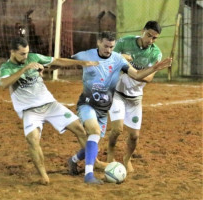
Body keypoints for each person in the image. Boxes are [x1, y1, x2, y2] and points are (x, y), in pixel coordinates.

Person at [67, 31, 172, 184]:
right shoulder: (87, 55)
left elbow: (136, 75)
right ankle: (89, 175)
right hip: (87, 103)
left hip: (103, 107)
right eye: (105, 46)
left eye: (111, 47)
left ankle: (74, 159)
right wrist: (40, 64)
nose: (108, 50)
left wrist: (155, 68)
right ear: (98, 43)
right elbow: (64, 60)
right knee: (95, 132)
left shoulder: (118, 59)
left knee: (94, 139)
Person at [0, 37, 99, 185]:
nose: (25, 57)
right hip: (30, 111)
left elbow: (57, 61)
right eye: (21, 54)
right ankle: (44, 175)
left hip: (50, 105)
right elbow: (2, 84)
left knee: (80, 129)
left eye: (26, 53)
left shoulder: (34, 57)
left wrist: (82, 63)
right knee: (32, 139)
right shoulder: (6, 67)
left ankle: (93, 162)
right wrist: (24, 69)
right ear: (12, 52)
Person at [107, 21, 163, 173]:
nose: (150, 40)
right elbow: (110, 60)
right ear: (142, 30)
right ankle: (110, 154)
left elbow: (149, 78)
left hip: (135, 98)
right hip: (117, 92)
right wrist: (121, 59)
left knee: (134, 137)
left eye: (154, 38)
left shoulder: (156, 53)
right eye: (148, 35)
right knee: (117, 129)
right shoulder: (125, 42)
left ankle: (127, 158)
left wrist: (130, 71)